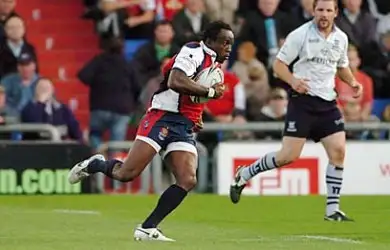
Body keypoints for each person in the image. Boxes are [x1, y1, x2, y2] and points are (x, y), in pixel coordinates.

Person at [68, 21, 233, 241]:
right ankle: (96, 164)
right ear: (210, 42)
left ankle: (148, 227)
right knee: (127, 174)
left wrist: (197, 114)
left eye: (231, 43)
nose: (229, 47)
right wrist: (210, 92)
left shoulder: (214, 63)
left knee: (187, 179)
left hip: (183, 124)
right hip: (162, 117)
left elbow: (192, 98)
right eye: (225, 42)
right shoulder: (193, 51)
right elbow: (176, 80)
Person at [229, 0, 363, 222]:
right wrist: (293, 81)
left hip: (328, 103)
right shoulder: (299, 35)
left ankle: (332, 210)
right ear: (313, 10)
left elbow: (341, 66)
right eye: (320, 9)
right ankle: (245, 173)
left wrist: (352, 81)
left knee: (338, 151)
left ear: (336, 13)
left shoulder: (341, 38)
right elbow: (278, 65)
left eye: (329, 10)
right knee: (287, 156)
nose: (324, 14)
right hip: (303, 102)